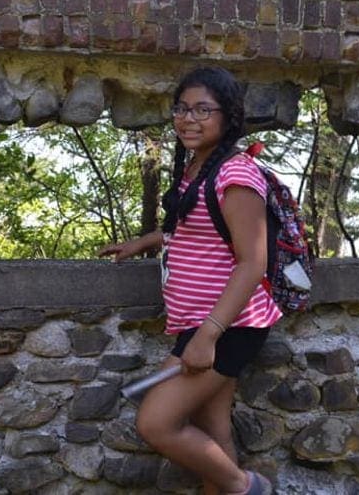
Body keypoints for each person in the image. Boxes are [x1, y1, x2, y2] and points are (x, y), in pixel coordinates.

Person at [98, 66, 280, 495]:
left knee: (157, 423)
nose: (188, 118)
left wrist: (208, 336)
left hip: (230, 325)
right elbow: (197, 230)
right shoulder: (200, 166)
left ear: (228, 117)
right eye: (181, 108)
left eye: (202, 109)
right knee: (213, 430)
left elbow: (253, 262)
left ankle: (248, 487)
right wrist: (146, 241)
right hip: (202, 322)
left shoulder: (236, 175)